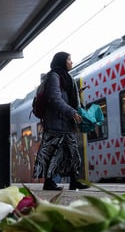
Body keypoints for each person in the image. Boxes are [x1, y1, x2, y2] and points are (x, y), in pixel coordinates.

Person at [32, 52, 89, 191]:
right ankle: (48, 182)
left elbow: (63, 95)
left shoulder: (65, 77)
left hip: (66, 124)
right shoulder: (54, 76)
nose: (71, 62)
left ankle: (74, 181)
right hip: (55, 124)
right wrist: (72, 112)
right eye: (69, 59)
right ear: (62, 61)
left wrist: (75, 94)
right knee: (51, 153)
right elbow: (54, 98)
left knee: (73, 153)